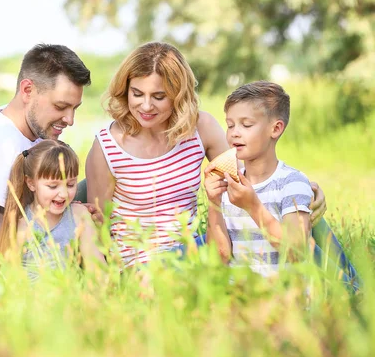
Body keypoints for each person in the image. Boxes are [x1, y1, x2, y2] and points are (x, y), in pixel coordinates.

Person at [85, 42, 329, 269]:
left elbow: (249, 173)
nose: (146, 106)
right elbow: (100, 226)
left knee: (301, 216)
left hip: (196, 249)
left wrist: (300, 190)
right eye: (137, 94)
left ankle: (354, 289)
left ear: (177, 94)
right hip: (145, 263)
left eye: (158, 97)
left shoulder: (200, 127)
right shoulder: (107, 145)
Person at [204, 82, 359, 286]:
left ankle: (355, 292)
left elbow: (296, 252)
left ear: (275, 128)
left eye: (246, 125)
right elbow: (219, 259)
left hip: (286, 300)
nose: (234, 133)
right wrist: (214, 204)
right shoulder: (228, 185)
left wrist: (253, 207)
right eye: (230, 125)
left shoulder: (292, 183)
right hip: (240, 298)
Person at [0, 44, 91, 261]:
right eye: (60, 106)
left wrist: (69, 211)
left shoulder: (24, 125)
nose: (70, 119)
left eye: (75, 108)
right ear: (27, 91)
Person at [0, 140, 105, 280]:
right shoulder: (23, 223)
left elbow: (97, 269)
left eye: (71, 184)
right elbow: (9, 276)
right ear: (31, 183)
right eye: (53, 186)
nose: (64, 194)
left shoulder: (79, 215)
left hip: (66, 293)